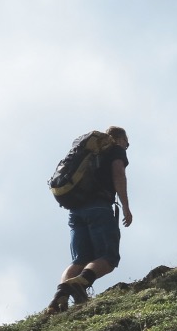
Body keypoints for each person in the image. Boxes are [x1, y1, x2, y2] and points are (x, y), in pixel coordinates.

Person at [47, 126, 133, 313]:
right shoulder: (115, 150)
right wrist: (125, 206)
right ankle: (80, 283)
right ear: (119, 139)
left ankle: (58, 298)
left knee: (80, 259)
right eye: (127, 141)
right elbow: (118, 173)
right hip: (99, 207)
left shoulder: (89, 153)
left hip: (75, 210)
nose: (128, 145)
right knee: (108, 258)